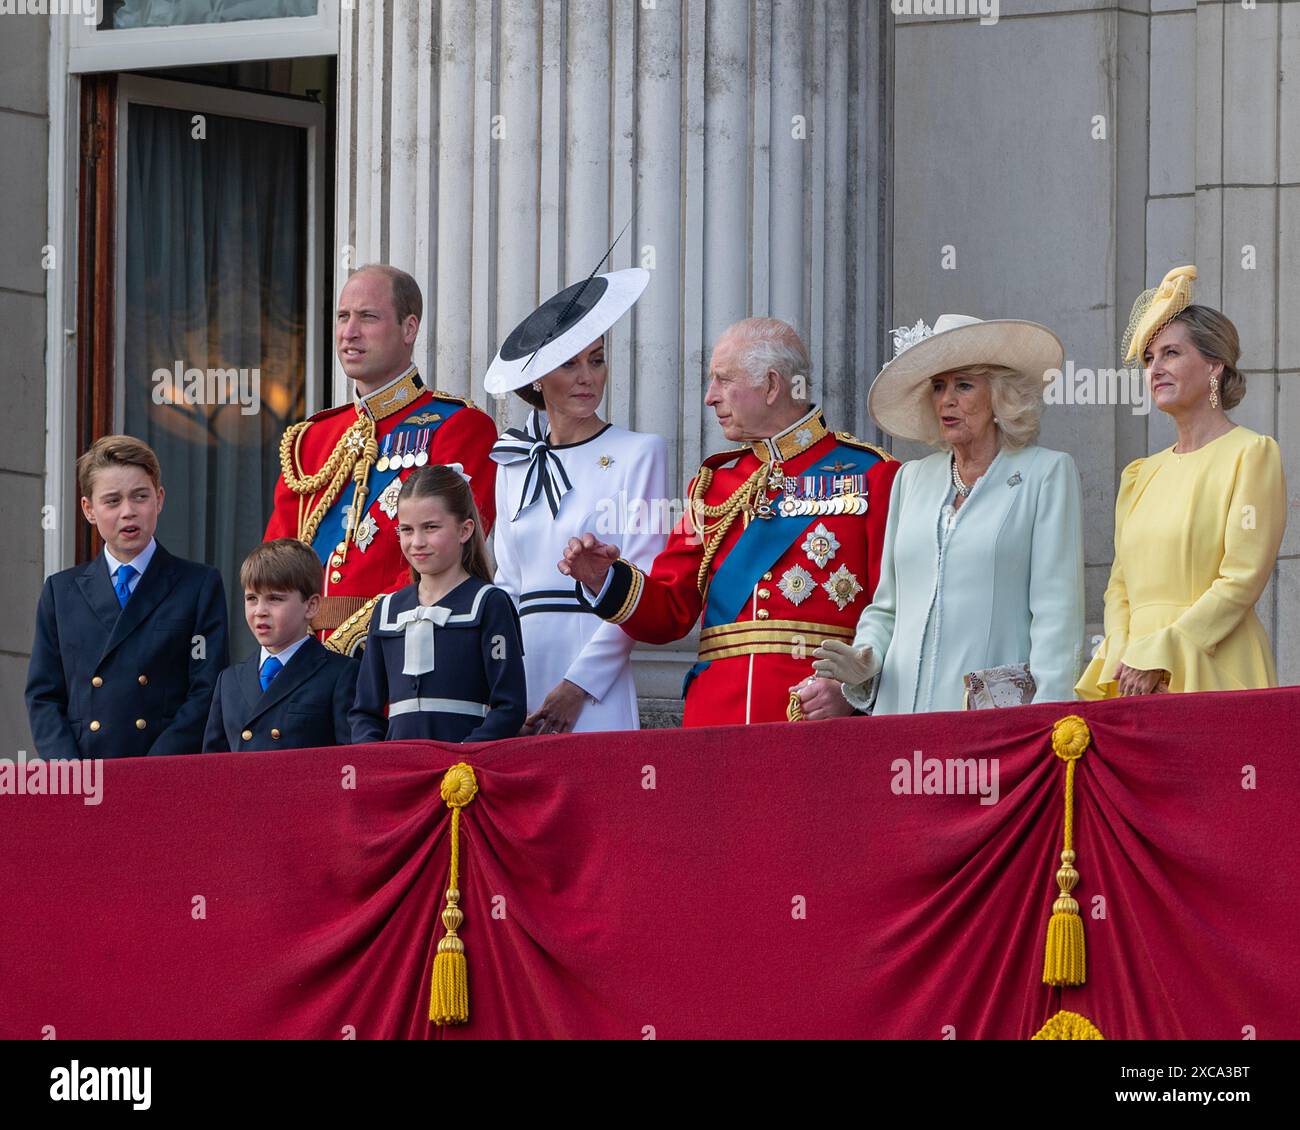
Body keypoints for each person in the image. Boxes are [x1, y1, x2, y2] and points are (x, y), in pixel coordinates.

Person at [559, 317, 900, 726]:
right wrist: (605, 579)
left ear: (772, 386)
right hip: (716, 719)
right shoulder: (712, 486)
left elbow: (896, 610)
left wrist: (852, 690)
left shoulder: (873, 475)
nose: (709, 397)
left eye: (722, 380)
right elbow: (670, 610)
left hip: (817, 719)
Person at [813, 314, 1086, 713]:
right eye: (938, 386)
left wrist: (1048, 719)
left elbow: (1057, 616)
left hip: (993, 720)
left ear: (999, 395)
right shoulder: (911, 479)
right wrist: (864, 660)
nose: (947, 400)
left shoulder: (1044, 473)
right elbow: (887, 606)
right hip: (899, 714)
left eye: (963, 385)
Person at [264, 264, 499, 655]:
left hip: (400, 653)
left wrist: (352, 639)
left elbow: (447, 558)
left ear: (409, 329)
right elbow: (275, 561)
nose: (349, 332)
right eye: (343, 317)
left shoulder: (459, 427)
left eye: (368, 317)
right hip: (304, 659)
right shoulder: (312, 438)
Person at [1076, 266, 1286, 697]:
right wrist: (1124, 649)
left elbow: (1241, 579)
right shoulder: (1139, 475)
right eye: (1149, 359)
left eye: (1171, 353)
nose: (1155, 368)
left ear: (1214, 366)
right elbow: (1119, 586)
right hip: (1131, 673)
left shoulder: (1251, 454)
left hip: (1213, 666)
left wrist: (1165, 651)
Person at [485, 269, 669, 734]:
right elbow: (507, 585)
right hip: (521, 675)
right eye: (570, 363)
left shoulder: (640, 452)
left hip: (595, 686)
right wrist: (497, 680)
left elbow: (641, 586)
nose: (588, 377)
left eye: (598, 360)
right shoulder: (512, 462)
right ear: (539, 378)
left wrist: (578, 686)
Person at [25, 435, 229, 759]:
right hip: (85, 781)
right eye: (112, 501)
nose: (128, 512)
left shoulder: (199, 586)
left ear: (159, 499)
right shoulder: (60, 592)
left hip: (163, 777)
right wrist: (70, 772)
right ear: (89, 509)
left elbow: (207, 691)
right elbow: (44, 696)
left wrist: (149, 773)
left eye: (140, 497)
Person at [349, 465, 527, 743]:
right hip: (398, 772)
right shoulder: (386, 611)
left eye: (431, 528)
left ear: (464, 530)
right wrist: (377, 759)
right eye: (407, 530)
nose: (417, 542)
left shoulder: (489, 603)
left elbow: (509, 707)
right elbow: (363, 712)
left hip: (465, 774)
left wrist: (461, 758)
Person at [203, 539, 359, 752]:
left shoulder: (340, 674)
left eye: (275, 599)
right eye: (251, 598)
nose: (260, 611)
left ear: (311, 606)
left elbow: (351, 759)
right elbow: (213, 766)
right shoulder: (228, 681)